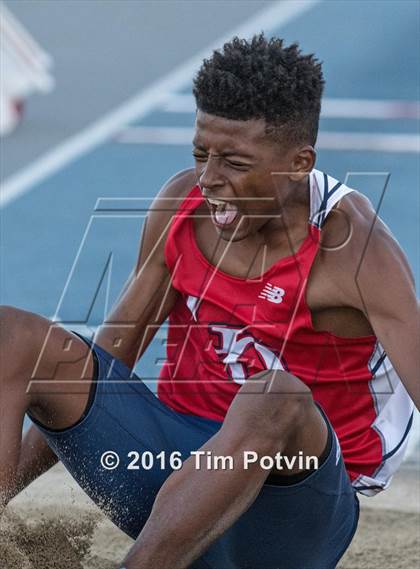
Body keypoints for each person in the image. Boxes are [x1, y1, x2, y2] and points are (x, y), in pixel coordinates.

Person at [0, 35, 418, 569]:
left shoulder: (355, 251)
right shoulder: (183, 206)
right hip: (163, 476)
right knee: (12, 335)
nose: (209, 179)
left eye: (235, 164)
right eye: (201, 154)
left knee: (273, 395)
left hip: (291, 513)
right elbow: (108, 365)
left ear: (298, 163)